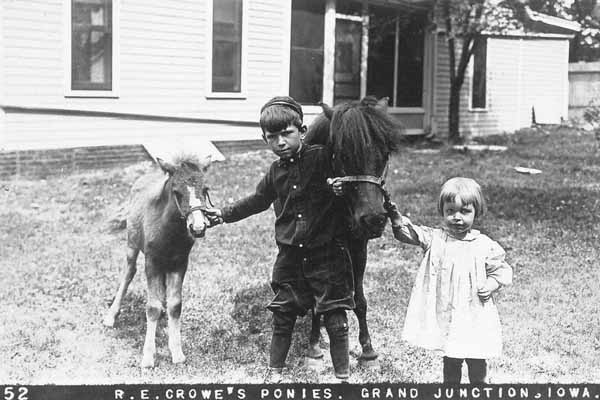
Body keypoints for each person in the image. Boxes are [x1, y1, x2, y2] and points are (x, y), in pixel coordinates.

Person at [205, 96, 354, 382]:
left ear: (303, 131)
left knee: (336, 317)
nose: (280, 142)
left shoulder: (324, 158)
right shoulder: (275, 172)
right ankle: (274, 374)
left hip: (327, 254)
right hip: (291, 256)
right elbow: (259, 200)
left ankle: (342, 378)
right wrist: (223, 214)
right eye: (272, 137)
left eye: (286, 133)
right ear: (264, 140)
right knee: (283, 313)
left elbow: (350, 183)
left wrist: (340, 187)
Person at [385, 177, 512, 383]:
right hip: (448, 310)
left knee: (476, 356)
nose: (456, 217)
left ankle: (478, 388)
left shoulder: (484, 245)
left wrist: (490, 285)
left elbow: (501, 271)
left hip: (473, 310)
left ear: (476, 212)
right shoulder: (435, 239)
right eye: (450, 211)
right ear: (442, 211)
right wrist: (396, 218)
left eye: (464, 211)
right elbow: (407, 234)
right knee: (451, 356)